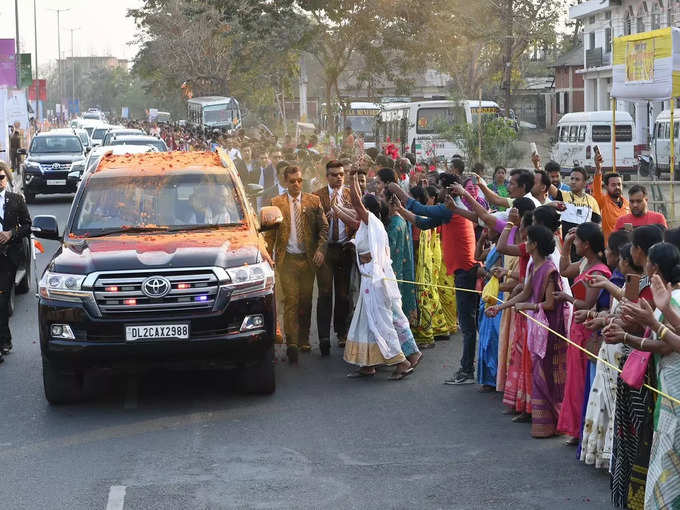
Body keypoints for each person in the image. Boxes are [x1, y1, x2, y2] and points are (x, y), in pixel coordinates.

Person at [390, 178, 479, 385]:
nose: (436, 190)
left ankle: (467, 371)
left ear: (448, 189)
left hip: (465, 270)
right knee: (469, 324)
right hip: (463, 269)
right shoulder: (452, 208)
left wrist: (399, 192)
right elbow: (423, 222)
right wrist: (401, 210)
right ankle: (471, 368)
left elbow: (422, 210)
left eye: (439, 186)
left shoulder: (451, 208)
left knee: (468, 325)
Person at [487, 225, 569, 437]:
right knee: (537, 371)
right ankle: (544, 423)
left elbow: (550, 304)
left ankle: (554, 423)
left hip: (549, 327)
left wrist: (529, 307)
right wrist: (499, 307)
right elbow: (525, 293)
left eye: (528, 240)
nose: (525, 242)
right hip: (536, 325)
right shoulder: (534, 267)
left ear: (535, 245)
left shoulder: (550, 270)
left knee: (547, 374)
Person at [341, 174, 419, 379]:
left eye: (358, 210)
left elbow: (357, 204)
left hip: (376, 283)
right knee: (366, 323)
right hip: (369, 282)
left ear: (366, 211)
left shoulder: (373, 222)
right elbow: (351, 212)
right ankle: (368, 365)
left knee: (382, 322)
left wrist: (352, 179)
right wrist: (335, 206)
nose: (355, 212)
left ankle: (401, 362)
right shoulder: (365, 226)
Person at [265, 166, 328, 363]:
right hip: (288, 260)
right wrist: (268, 256)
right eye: (292, 181)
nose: (296, 184)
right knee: (291, 300)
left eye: (299, 180)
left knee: (306, 300)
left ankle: (304, 339)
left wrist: (320, 249)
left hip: (307, 260)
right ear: (285, 182)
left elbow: (324, 228)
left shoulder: (313, 201)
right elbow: (270, 234)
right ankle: (291, 342)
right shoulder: (276, 203)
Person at [556, 222, 611, 445]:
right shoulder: (586, 262)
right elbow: (563, 269)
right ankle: (576, 429)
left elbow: (586, 303)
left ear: (586, 244)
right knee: (575, 378)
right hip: (578, 327)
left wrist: (567, 298)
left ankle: (581, 430)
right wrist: (567, 243)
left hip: (587, 329)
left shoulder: (599, 271)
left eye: (577, 240)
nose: (575, 242)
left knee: (582, 380)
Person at [314, 161, 356, 355]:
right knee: (324, 294)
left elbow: (358, 223)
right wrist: (327, 217)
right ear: (327, 176)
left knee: (343, 294)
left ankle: (341, 333)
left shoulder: (350, 195)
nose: (338, 177)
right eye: (334, 174)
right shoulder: (317, 197)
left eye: (341, 174)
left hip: (344, 248)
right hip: (325, 250)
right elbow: (313, 227)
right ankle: (323, 337)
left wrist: (354, 242)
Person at [0, 163, 31, 360]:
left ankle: (3, 342)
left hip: (7, 258)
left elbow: (28, 226)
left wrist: (11, 233)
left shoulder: (16, 200)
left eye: (1, 177)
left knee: (1, 300)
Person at [386, 195, 417, 325]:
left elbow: (389, 248)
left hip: (394, 268)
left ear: (391, 203)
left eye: (382, 196)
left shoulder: (394, 224)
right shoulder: (400, 219)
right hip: (401, 267)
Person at [592, 152, 629, 241]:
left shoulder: (627, 204)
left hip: (625, 248)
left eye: (619, 184)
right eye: (613, 185)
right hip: (609, 249)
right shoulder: (603, 201)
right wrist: (598, 168)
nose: (617, 187)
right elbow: (597, 187)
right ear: (606, 187)